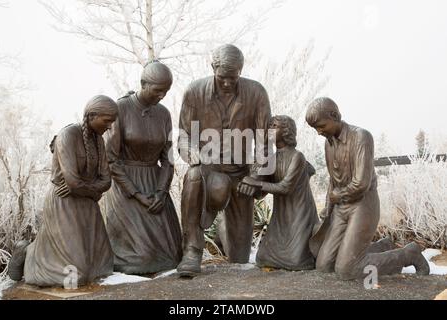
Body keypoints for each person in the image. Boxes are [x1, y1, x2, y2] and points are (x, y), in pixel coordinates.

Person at [305, 97, 429, 280]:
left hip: (363, 204)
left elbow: (361, 184)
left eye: (321, 126)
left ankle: (408, 254)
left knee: (346, 270)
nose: (318, 132)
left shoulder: (361, 137)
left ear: (335, 116)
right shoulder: (328, 143)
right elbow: (333, 179)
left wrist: (337, 195)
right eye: (315, 128)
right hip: (340, 207)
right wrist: (328, 208)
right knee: (324, 266)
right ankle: (381, 247)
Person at [177, 44, 272, 277]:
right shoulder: (194, 92)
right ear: (212, 68)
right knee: (193, 176)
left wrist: (256, 175)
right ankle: (191, 251)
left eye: (233, 77)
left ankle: (225, 233)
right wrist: (192, 155)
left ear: (241, 70)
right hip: (208, 169)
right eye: (222, 77)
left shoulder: (256, 92)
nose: (228, 82)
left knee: (239, 259)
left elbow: (265, 140)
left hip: (241, 173)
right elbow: (183, 135)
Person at [8, 95, 118, 287]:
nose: (110, 126)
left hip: (87, 203)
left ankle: (41, 251)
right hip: (63, 201)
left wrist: (88, 190)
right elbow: (71, 181)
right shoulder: (68, 135)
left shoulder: (98, 140)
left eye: (112, 122)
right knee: (76, 275)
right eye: (107, 120)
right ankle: (28, 253)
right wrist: (93, 190)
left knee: (103, 266)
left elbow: (106, 181)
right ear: (91, 116)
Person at [104, 61, 182, 275]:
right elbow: (111, 160)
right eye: (158, 90)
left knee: (173, 256)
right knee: (141, 258)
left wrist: (161, 192)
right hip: (125, 186)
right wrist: (136, 194)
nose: (162, 96)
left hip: (155, 184)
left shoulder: (164, 114)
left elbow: (167, 159)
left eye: (166, 91)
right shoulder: (120, 109)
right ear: (143, 84)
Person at [239, 115, 319, 270]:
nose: (270, 129)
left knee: (297, 262)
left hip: (299, 215)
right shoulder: (273, 158)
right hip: (281, 218)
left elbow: (285, 188)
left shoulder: (298, 157)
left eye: (274, 126)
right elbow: (262, 192)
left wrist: (255, 183)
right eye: (269, 126)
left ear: (287, 131)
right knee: (262, 258)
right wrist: (248, 189)